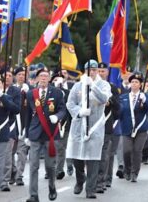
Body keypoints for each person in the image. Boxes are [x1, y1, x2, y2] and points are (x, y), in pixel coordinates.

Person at [66, 59, 111, 199]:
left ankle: (90, 189)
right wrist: (79, 111)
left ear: (97, 71)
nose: (91, 72)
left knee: (93, 158)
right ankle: (80, 180)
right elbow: (70, 103)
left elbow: (104, 99)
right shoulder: (77, 86)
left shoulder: (103, 85)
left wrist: (93, 86)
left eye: (94, 70)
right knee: (76, 158)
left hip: (95, 126)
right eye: (89, 70)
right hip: (78, 126)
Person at [25, 68, 66, 202]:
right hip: (35, 133)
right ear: (37, 79)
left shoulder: (57, 93)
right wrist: (26, 134)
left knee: (50, 166)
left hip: (50, 133)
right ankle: (33, 195)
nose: (43, 78)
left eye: (45, 76)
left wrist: (57, 116)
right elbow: (27, 115)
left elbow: (63, 109)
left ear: (49, 79)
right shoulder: (31, 94)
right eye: (41, 76)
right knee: (33, 166)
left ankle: (52, 186)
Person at [119, 72, 148, 182]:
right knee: (126, 151)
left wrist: (145, 101)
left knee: (137, 151)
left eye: (136, 82)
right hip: (127, 128)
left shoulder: (144, 96)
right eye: (132, 82)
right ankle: (127, 170)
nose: (134, 84)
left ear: (140, 84)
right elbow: (119, 112)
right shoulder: (123, 97)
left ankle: (134, 173)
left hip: (141, 129)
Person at [95, 62, 121, 193]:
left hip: (106, 125)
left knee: (104, 154)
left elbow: (118, 107)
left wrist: (110, 101)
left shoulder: (112, 88)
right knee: (92, 155)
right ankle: (92, 180)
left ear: (107, 72)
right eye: (98, 71)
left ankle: (100, 181)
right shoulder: (91, 86)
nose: (100, 73)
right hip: (92, 126)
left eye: (103, 71)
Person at [0, 68, 22, 191]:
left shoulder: (15, 91)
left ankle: (4, 181)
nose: (7, 77)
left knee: (7, 155)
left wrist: (4, 99)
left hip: (10, 126)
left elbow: (16, 108)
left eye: (9, 75)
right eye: (5, 75)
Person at [13, 66, 30, 186]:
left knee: (22, 153)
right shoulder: (11, 90)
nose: (21, 76)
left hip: (25, 125)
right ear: (15, 76)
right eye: (19, 74)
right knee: (10, 153)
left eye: (23, 74)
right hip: (12, 126)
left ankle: (19, 175)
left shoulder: (30, 90)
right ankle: (12, 172)